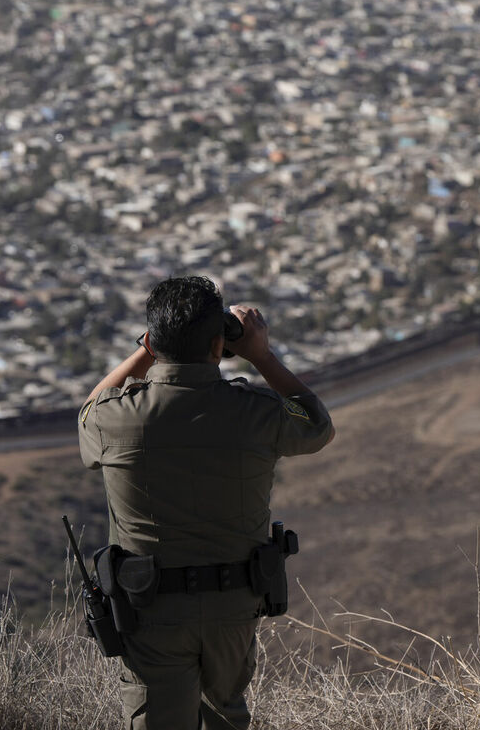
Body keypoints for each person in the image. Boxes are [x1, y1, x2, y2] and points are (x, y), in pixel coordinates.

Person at [78, 275, 335, 730]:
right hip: (233, 605)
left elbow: (89, 409)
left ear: (155, 340)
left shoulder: (114, 420)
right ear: (219, 346)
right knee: (226, 716)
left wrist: (147, 349)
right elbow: (316, 424)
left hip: (151, 609)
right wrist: (261, 354)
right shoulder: (257, 412)